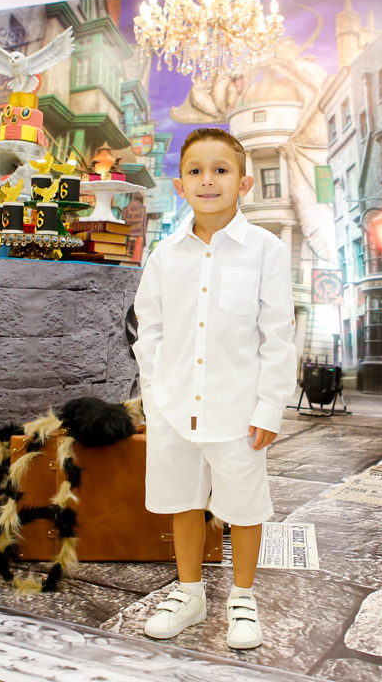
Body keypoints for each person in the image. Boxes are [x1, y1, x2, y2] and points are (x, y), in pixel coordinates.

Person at [132, 127, 296, 650]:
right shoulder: (164, 256)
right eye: (196, 171)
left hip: (237, 410)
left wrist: (269, 408)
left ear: (244, 183)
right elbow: (149, 331)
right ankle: (190, 594)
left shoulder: (266, 251)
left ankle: (242, 599)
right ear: (180, 185)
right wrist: (155, 397)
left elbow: (277, 337)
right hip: (175, 406)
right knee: (183, 502)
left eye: (221, 170)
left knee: (245, 507)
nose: (208, 180)